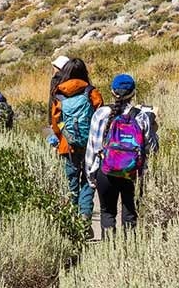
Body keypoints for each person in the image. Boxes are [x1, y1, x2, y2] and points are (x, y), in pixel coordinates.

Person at [85, 73, 158, 237]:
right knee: (130, 214)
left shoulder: (101, 114)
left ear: (112, 91)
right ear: (133, 93)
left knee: (107, 213)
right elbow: (152, 148)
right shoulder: (141, 116)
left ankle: (109, 252)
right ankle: (128, 253)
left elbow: (92, 148)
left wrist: (91, 176)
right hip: (132, 173)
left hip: (105, 171)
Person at [50, 58, 103, 230]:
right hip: (90, 146)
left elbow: (56, 123)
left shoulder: (59, 93)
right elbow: (100, 116)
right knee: (88, 180)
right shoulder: (91, 92)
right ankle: (84, 219)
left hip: (68, 146)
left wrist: (63, 138)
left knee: (71, 181)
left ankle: (72, 223)